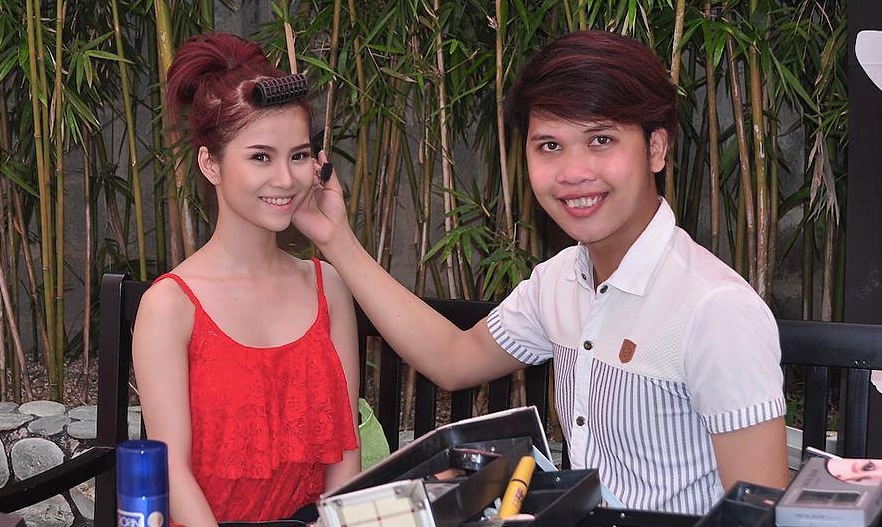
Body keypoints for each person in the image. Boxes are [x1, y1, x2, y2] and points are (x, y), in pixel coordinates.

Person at [293, 30, 789, 515]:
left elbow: (762, 513)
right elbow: (452, 358)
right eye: (549, 146)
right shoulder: (560, 281)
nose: (573, 173)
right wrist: (336, 239)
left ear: (656, 148)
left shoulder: (715, 310)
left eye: (601, 140)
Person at [132, 32, 360, 526]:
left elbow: (345, 457)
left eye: (299, 155)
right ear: (210, 164)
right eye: (261, 156)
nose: (286, 179)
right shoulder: (170, 305)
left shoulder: (328, 287)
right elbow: (172, 471)